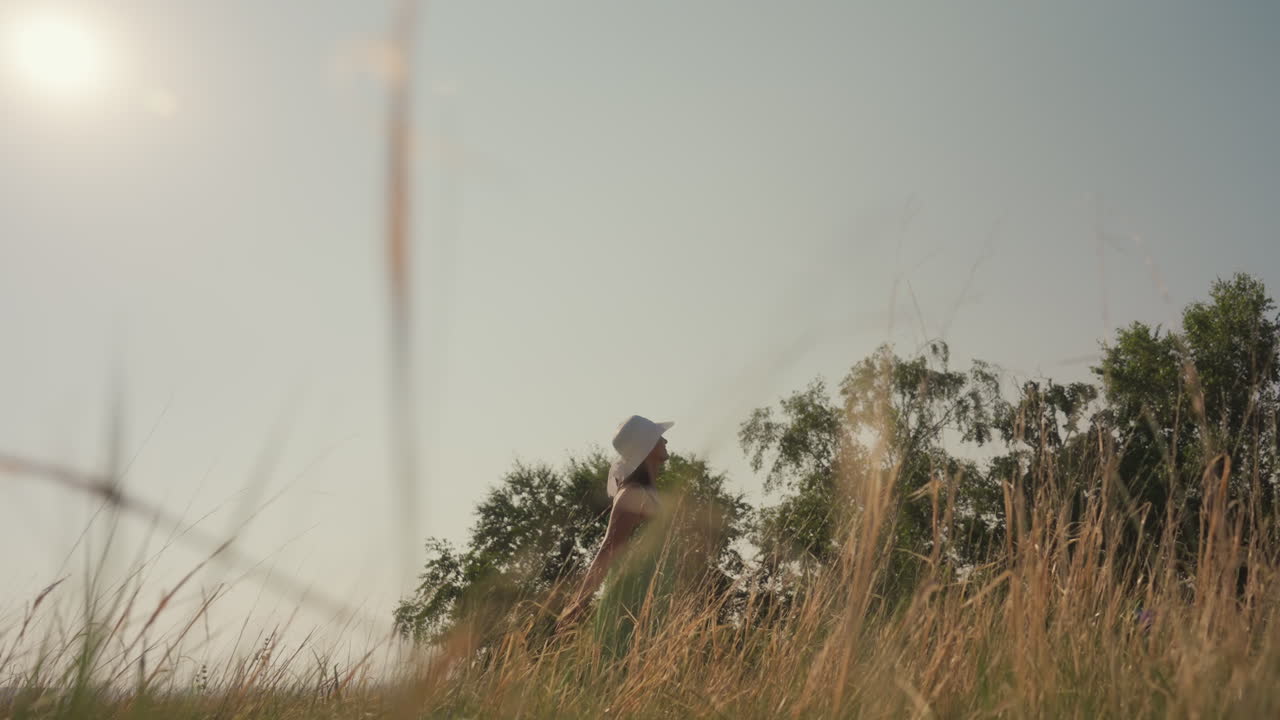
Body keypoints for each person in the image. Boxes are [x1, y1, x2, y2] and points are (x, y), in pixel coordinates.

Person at [558, 415, 675, 657]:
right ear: (648, 446)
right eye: (657, 436)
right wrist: (579, 603)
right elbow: (610, 548)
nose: (664, 439)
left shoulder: (648, 493)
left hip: (654, 597)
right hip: (630, 602)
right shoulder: (631, 494)